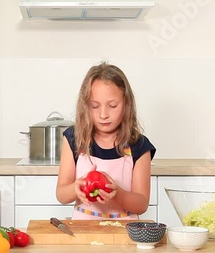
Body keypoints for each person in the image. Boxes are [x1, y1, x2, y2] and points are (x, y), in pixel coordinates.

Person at [56, 61, 156, 220]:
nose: (103, 114)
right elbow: (61, 194)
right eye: (95, 106)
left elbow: (142, 204)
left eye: (113, 105)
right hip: (83, 231)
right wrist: (76, 188)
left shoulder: (139, 145)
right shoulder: (74, 139)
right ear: (85, 106)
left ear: (126, 103)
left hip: (124, 234)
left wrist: (118, 194)